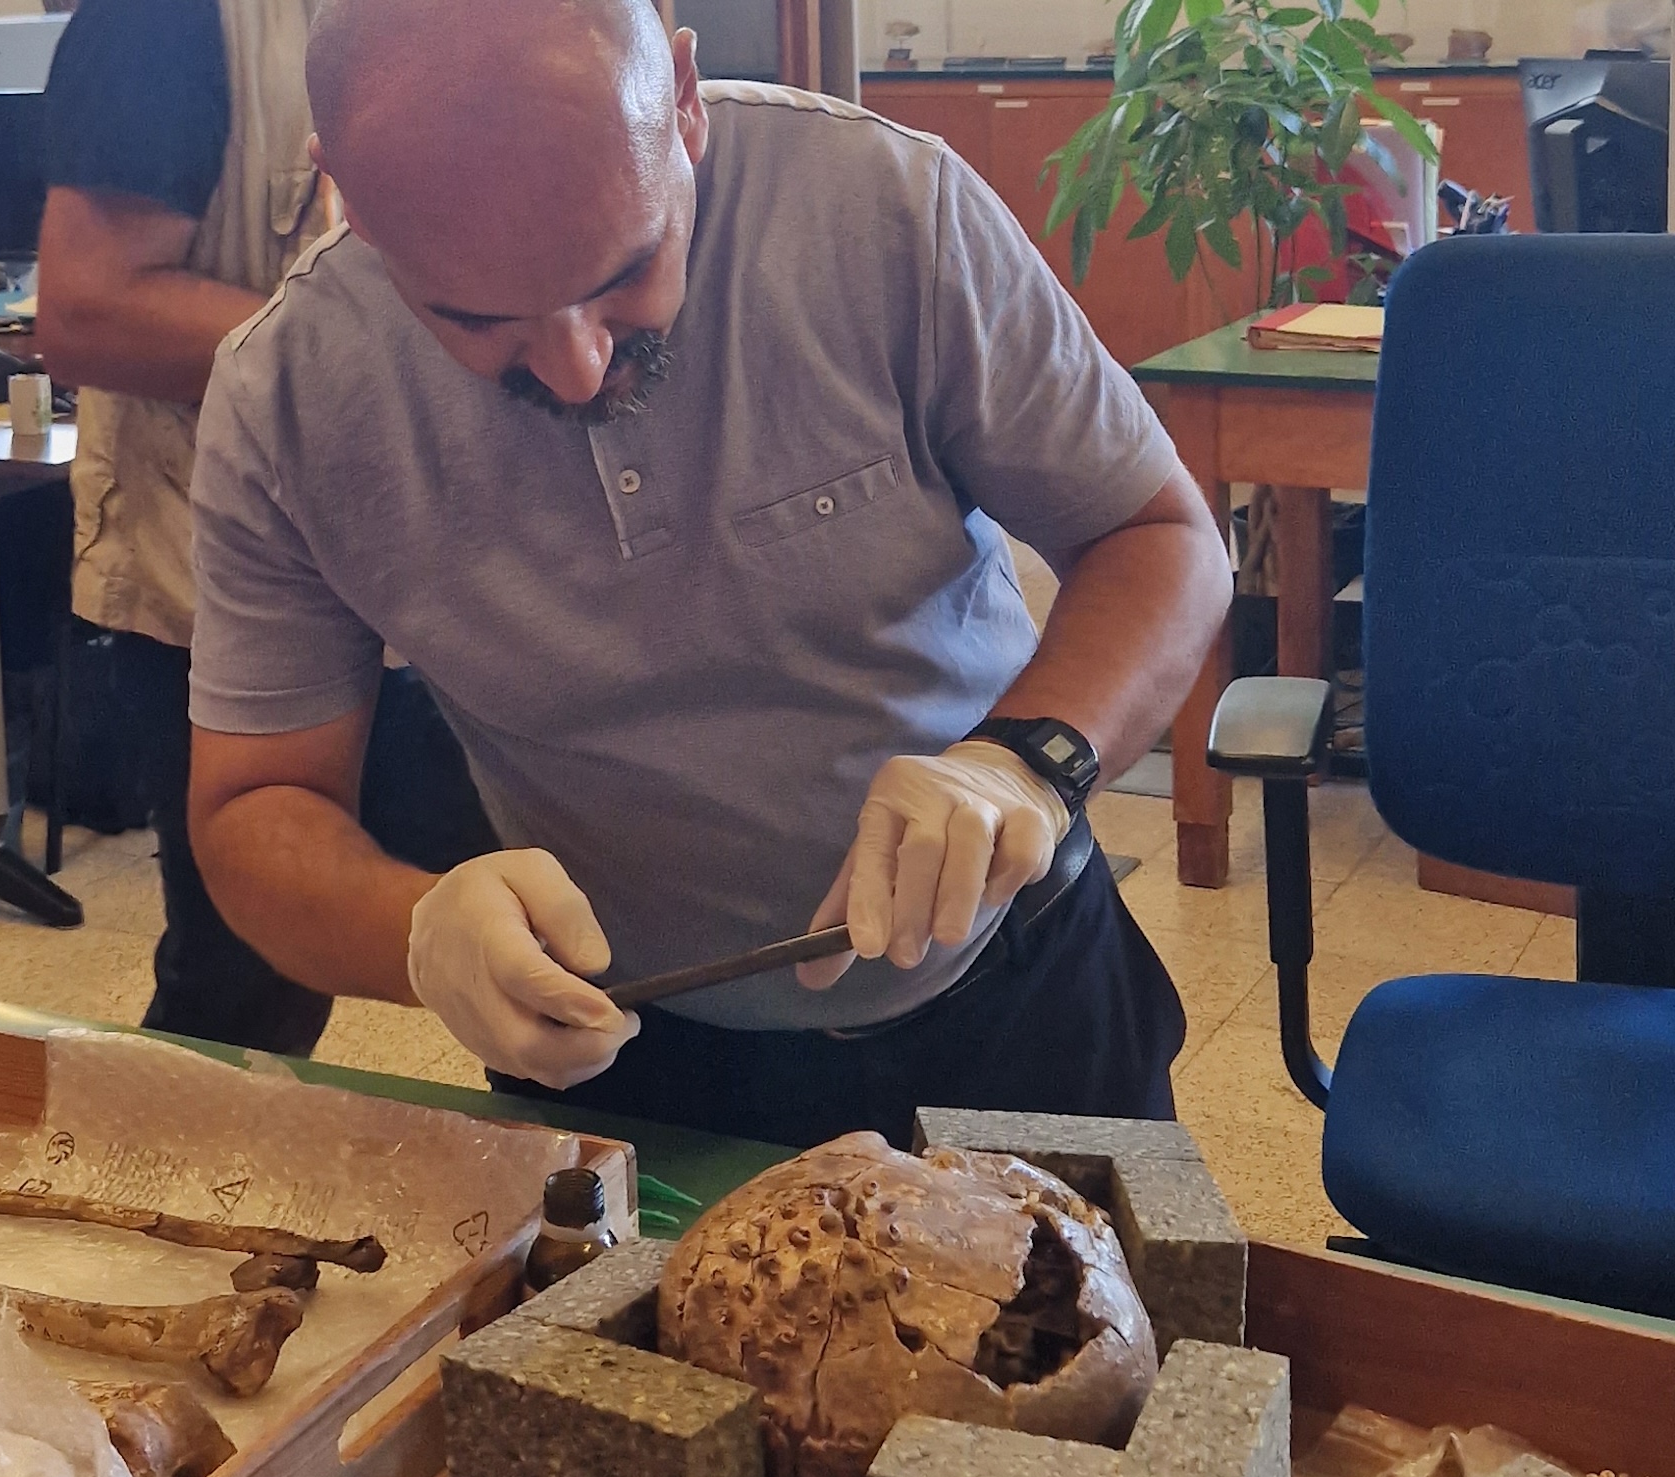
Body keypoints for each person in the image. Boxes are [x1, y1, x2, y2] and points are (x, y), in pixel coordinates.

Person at [185, 0, 1235, 1149]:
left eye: (625, 274)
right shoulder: (287, 398)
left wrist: (1025, 762)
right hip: (629, 1062)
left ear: (682, 99)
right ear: (345, 190)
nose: (580, 368)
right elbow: (255, 805)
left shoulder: (881, 208)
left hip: (1020, 1001)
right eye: (480, 322)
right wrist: (421, 927)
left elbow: (1160, 537)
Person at [35, 0, 495, 1053]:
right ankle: (157, 1207)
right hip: (229, 599)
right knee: (252, 982)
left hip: (449, 581)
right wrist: (427, 346)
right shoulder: (163, 23)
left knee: (590, 952)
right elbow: (89, 309)